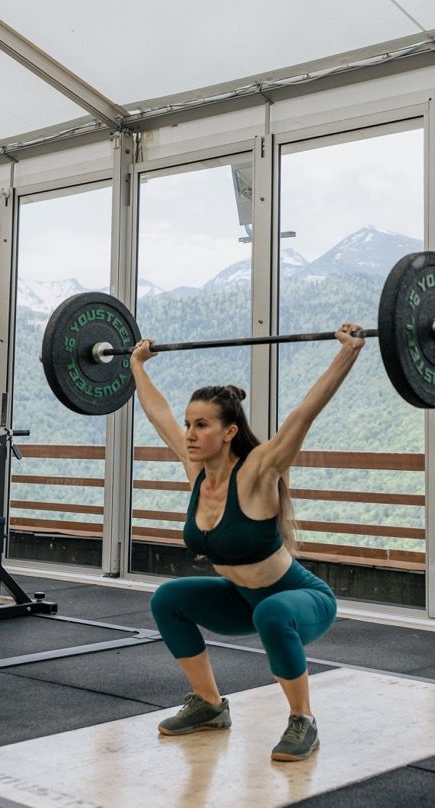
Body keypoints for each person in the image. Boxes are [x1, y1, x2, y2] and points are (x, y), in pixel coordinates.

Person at [130, 324, 365, 761]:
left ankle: (303, 720)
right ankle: (209, 704)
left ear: (230, 431)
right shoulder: (196, 469)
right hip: (243, 599)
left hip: (298, 598)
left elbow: (303, 414)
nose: (189, 434)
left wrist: (348, 352)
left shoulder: (258, 470)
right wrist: (135, 364)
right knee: (168, 599)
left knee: (274, 612)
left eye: (201, 425)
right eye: (188, 425)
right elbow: (156, 412)